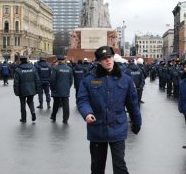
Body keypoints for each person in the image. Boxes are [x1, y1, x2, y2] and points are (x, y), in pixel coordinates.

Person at [77, 46, 141, 174]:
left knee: (120, 166)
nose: (108, 60)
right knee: (97, 167)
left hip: (118, 128)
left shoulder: (125, 79)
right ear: (99, 61)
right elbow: (82, 99)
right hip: (97, 129)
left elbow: (133, 104)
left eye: (110, 57)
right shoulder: (89, 79)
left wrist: (137, 122)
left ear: (113, 58)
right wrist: (87, 113)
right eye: (104, 59)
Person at [13, 56, 40, 123]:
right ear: (27, 60)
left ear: (20, 61)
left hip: (22, 90)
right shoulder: (33, 68)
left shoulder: (18, 70)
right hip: (31, 89)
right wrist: (37, 89)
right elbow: (37, 79)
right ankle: (33, 112)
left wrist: (16, 91)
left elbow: (16, 82)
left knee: (23, 104)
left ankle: (23, 118)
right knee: (30, 101)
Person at [50, 55, 73, 124]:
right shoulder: (69, 69)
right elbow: (71, 80)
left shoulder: (55, 68)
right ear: (64, 60)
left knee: (56, 104)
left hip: (57, 89)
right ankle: (65, 119)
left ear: (58, 60)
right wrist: (68, 87)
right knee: (65, 105)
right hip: (65, 89)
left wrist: (52, 88)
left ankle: (53, 116)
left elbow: (53, 80)